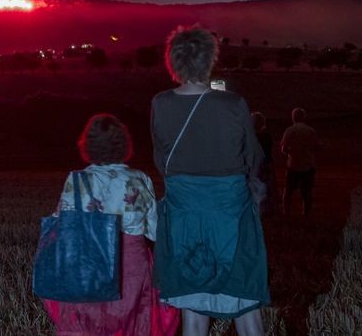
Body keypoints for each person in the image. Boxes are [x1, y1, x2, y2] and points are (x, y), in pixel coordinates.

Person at [151, 26, 268, 336]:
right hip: (232, 216)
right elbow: (253, 158)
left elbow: (161, 160)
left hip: (184, 217)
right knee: (246, 305)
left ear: (173, 61)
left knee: (193, 309)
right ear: (209, 60)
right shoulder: (232, 104)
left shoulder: (160, 104)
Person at [43, 114, 179, 336]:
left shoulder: (77, 180)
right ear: (123, 144)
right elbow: (154, 230)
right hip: (130, 263)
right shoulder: (138, 179)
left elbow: (61, 224)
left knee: (87, 321)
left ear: (88, 145)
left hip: (88, 261)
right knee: (131, 322)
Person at [280, 107, 319, 216]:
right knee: (307, 191)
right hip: (308, 164)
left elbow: (284, 148)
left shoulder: (289, 130)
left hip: (293, 164)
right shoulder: (310, 130)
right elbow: (316, 146)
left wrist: (290, 153)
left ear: (293, 118)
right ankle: (306, 213)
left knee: (288, 190)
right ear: (304, 117)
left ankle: (287, 211)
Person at [252, 113, 276, 215]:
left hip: (254, 164)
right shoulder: (266, 136)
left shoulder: (250, 136)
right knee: (267, 188)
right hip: (265, 163)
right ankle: (267, 209)